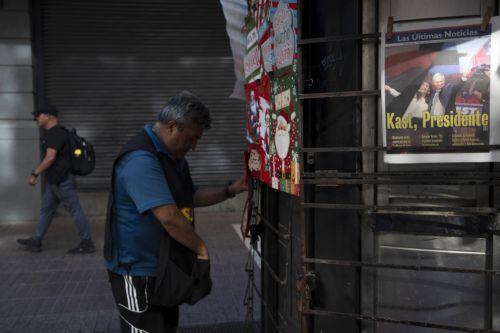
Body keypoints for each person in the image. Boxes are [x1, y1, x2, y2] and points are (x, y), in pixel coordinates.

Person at [104, 91, 247, 333]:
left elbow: (188, 197)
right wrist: (200, 248)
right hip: (137, 271)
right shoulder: (141, 159)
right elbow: (169, 217)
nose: (194, 147)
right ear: (172, 127)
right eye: (191, 139)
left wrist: (229, 190)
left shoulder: (172, 157)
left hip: (164, 267)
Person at [17, 105, 95, 253]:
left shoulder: (57, 133)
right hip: (54, 181)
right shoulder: (53, 133)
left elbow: (50, 157)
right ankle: (36, 240)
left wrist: (35, 173)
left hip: (62, 181)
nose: (36, 118)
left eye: (39, 115)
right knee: (46, 210)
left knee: (75, 210)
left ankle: (87, 243)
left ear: (49, 116)